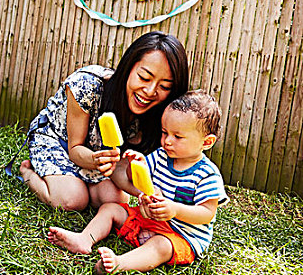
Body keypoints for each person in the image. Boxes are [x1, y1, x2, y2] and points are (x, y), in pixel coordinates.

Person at [47, 89, 229, 273]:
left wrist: (174, 210)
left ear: (206, 142)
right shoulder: (160, 155)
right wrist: (135, 165)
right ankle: (84, 239)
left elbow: (207, 213)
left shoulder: (207, 175)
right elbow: (135, 180)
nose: (167, 141)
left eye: (178, 136)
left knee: (160, 245)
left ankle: (118, 263)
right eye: (165, 132)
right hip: (146, 221)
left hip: (180, 235)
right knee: (111, 208)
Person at [19, 31, 189, 211]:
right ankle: (28, 172)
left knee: (115, 200)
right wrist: (95, 160)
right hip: (58, 141)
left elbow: (119, 166)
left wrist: (147, 194)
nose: (149, 91)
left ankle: (80, 182)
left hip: (98, 156)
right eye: (144, 77)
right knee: (73, 200)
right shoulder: (87, 85)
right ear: (128, 67)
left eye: (164, 87)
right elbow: (75, 149)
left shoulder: (156, 114)